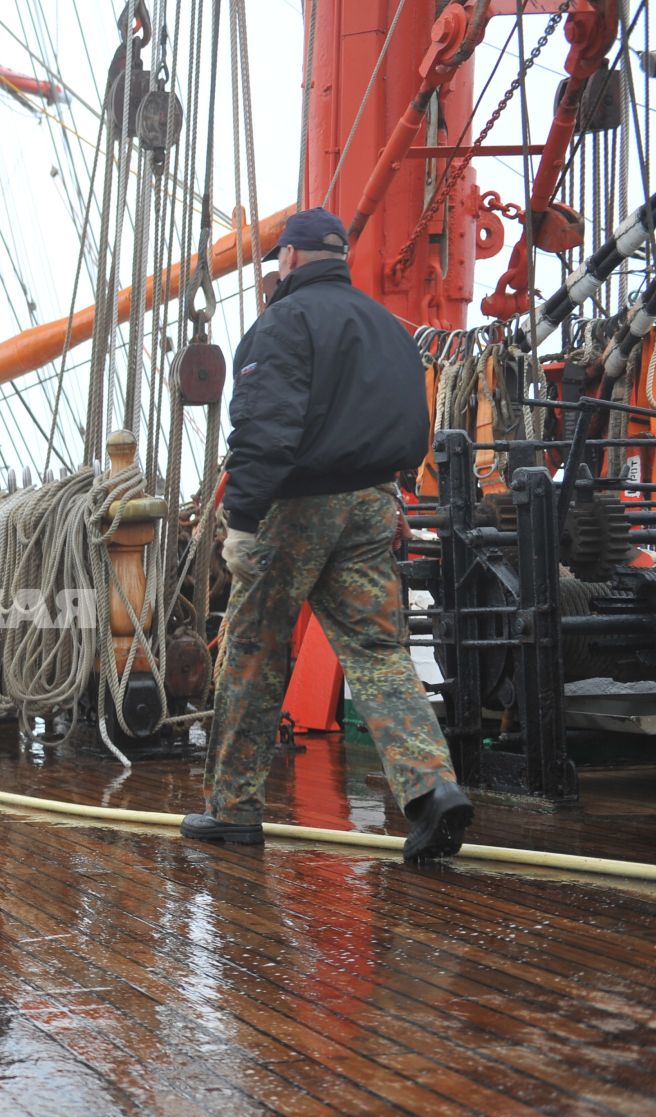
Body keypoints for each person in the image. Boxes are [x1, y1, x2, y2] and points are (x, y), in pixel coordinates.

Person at [182, 207, 473, 863]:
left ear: (289, 259)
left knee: (254, 650)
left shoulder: (280, 326)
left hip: (299, 505)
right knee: (378, 651)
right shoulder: (384, 325)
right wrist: (391, 490)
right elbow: (410, 420)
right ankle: (432, 790)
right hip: (372, 503)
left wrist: (245, 522)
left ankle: (233, 809)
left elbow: (265, 430)